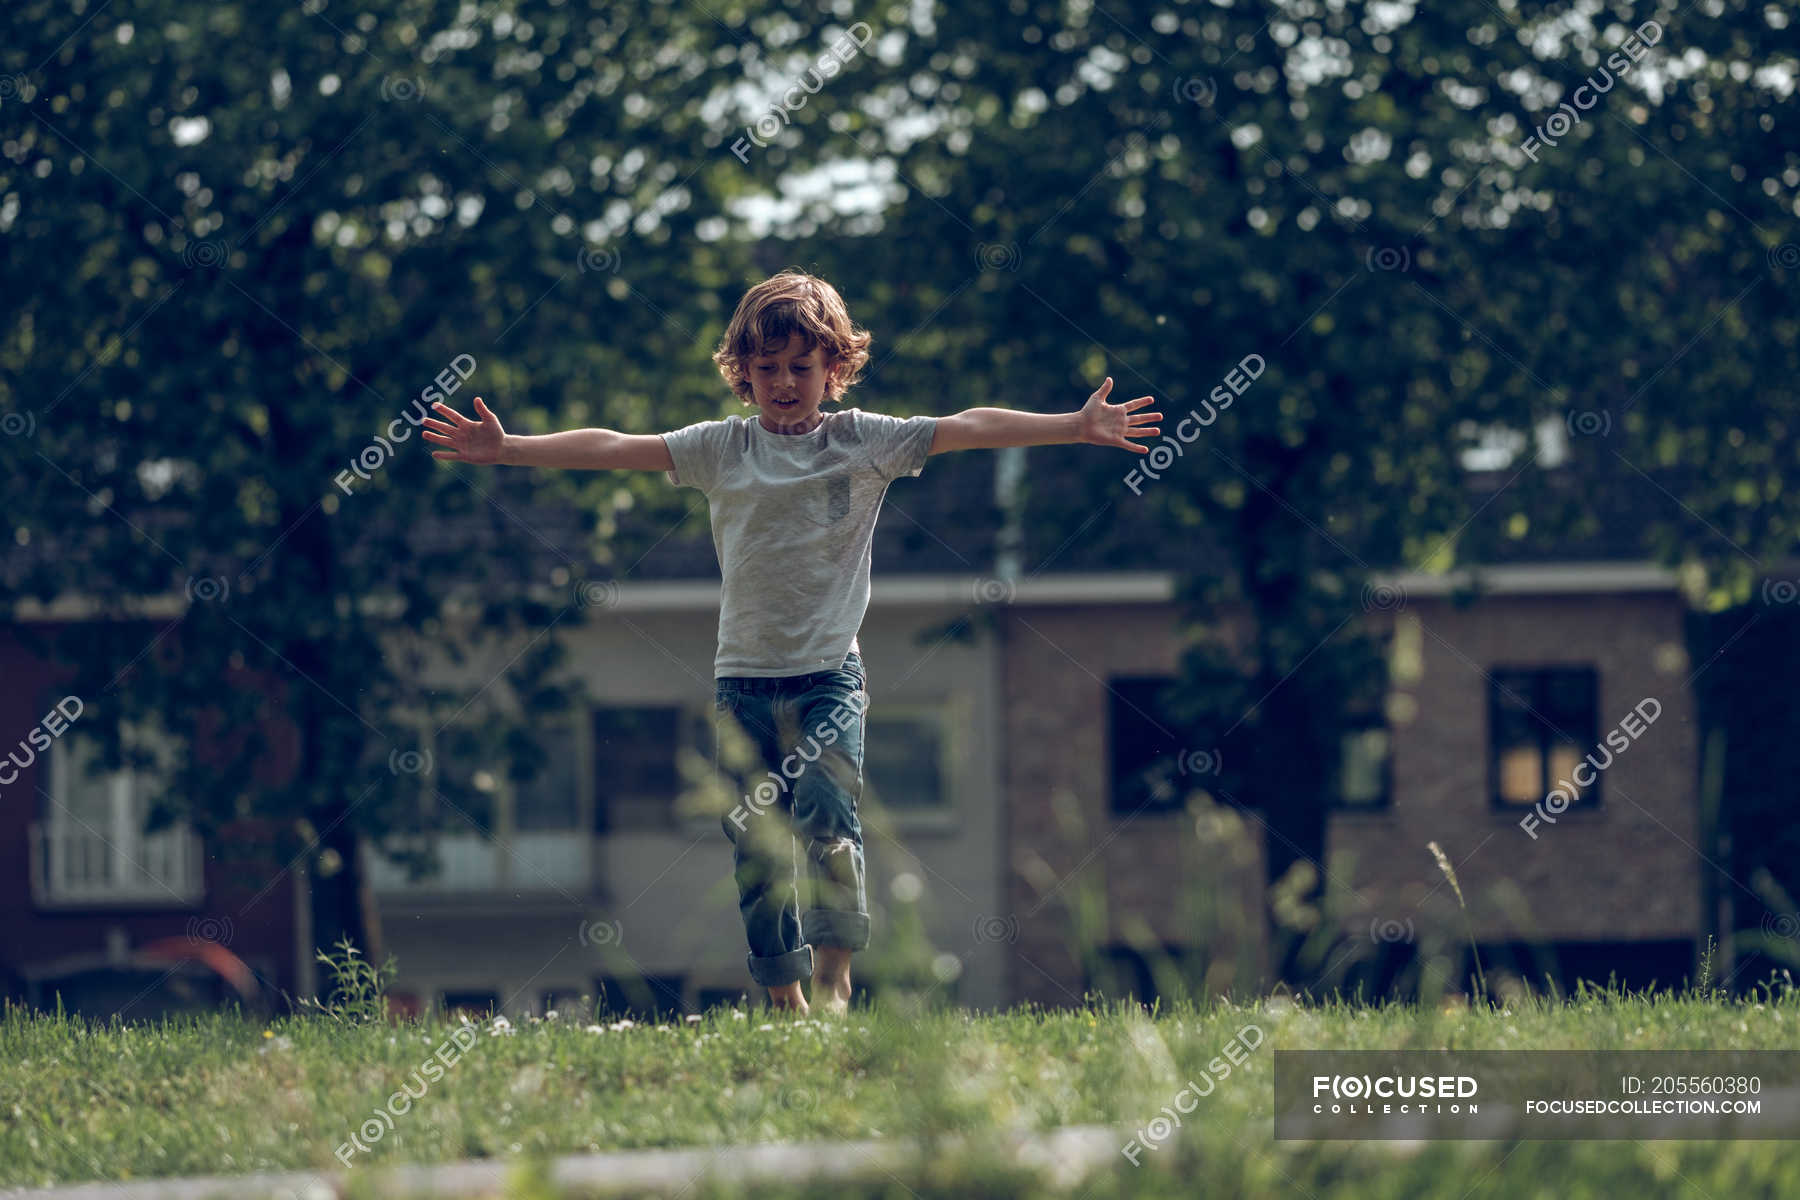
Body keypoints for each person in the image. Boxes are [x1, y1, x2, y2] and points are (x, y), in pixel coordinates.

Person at [421, 268, 1160, 1015]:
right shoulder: (721, 450)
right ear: (741, 374)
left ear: (833, 369)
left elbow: (965, 426)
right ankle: (785, 999)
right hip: (743, 684)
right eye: (765, 368)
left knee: (827, 811)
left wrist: (1072, 425)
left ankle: (836, 976)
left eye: (800, 367)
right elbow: (614, 445)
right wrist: (509, 447)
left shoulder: (864, 442)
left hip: (829, 678)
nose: (782, 382)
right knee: (755, 844)